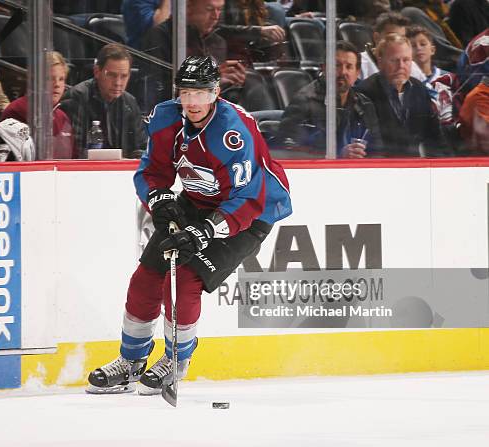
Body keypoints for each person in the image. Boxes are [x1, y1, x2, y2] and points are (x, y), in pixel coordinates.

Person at [86, 56, 292, 394]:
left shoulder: (232, 132)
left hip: (250, 214)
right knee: (146, 278)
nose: (192, 101)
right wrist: (159, 200)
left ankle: (175, 361)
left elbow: (247, 197)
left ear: (215, 92)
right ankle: (131, 362)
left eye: (201, 93)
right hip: (196, 202)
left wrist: (205, 231)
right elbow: (152, 171)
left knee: (182, 279)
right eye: (186, 93)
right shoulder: (167, 118)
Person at [276, 41, 383, 158]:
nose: (343, 72)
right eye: (336, 65)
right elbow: (288, 151)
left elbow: (378, 151)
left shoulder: (365, 105)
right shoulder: (304, 102)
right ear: (324, 68)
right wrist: (337, 157)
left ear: (357, 73)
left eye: (349, 67)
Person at [356, 34, 448, 157]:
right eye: (394, 60)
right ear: (380, 60)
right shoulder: (364, 93)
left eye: (406, 60)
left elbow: (435, 137)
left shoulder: (419, 89)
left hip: (414, 168)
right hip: (380, 168)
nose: (401, 66)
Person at [60, 43, 146, 159]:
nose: (118, 83)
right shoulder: (77, 98)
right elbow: (75, 152)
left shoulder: (129, 103)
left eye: (124, 76)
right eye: (112, 75)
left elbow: (141, 148)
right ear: (97, 72)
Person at [2, 51, 77, 159]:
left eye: (61, 79)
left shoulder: (62, 117)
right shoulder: (17, 111)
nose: (57, 84)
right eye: (50, 79)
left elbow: (73, 159)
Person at [406, 25, 454, 125]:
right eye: (413, 46)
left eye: (423, 44)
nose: (419, 48)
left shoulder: (450, 78)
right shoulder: (405, 83)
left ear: (432, 50)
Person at [360, 12, 426, 82]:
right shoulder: (359, 64)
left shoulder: (411, 66)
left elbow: (430, 92)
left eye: (402, 38)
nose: (398, 42)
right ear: (376, 37)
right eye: (392, 37)